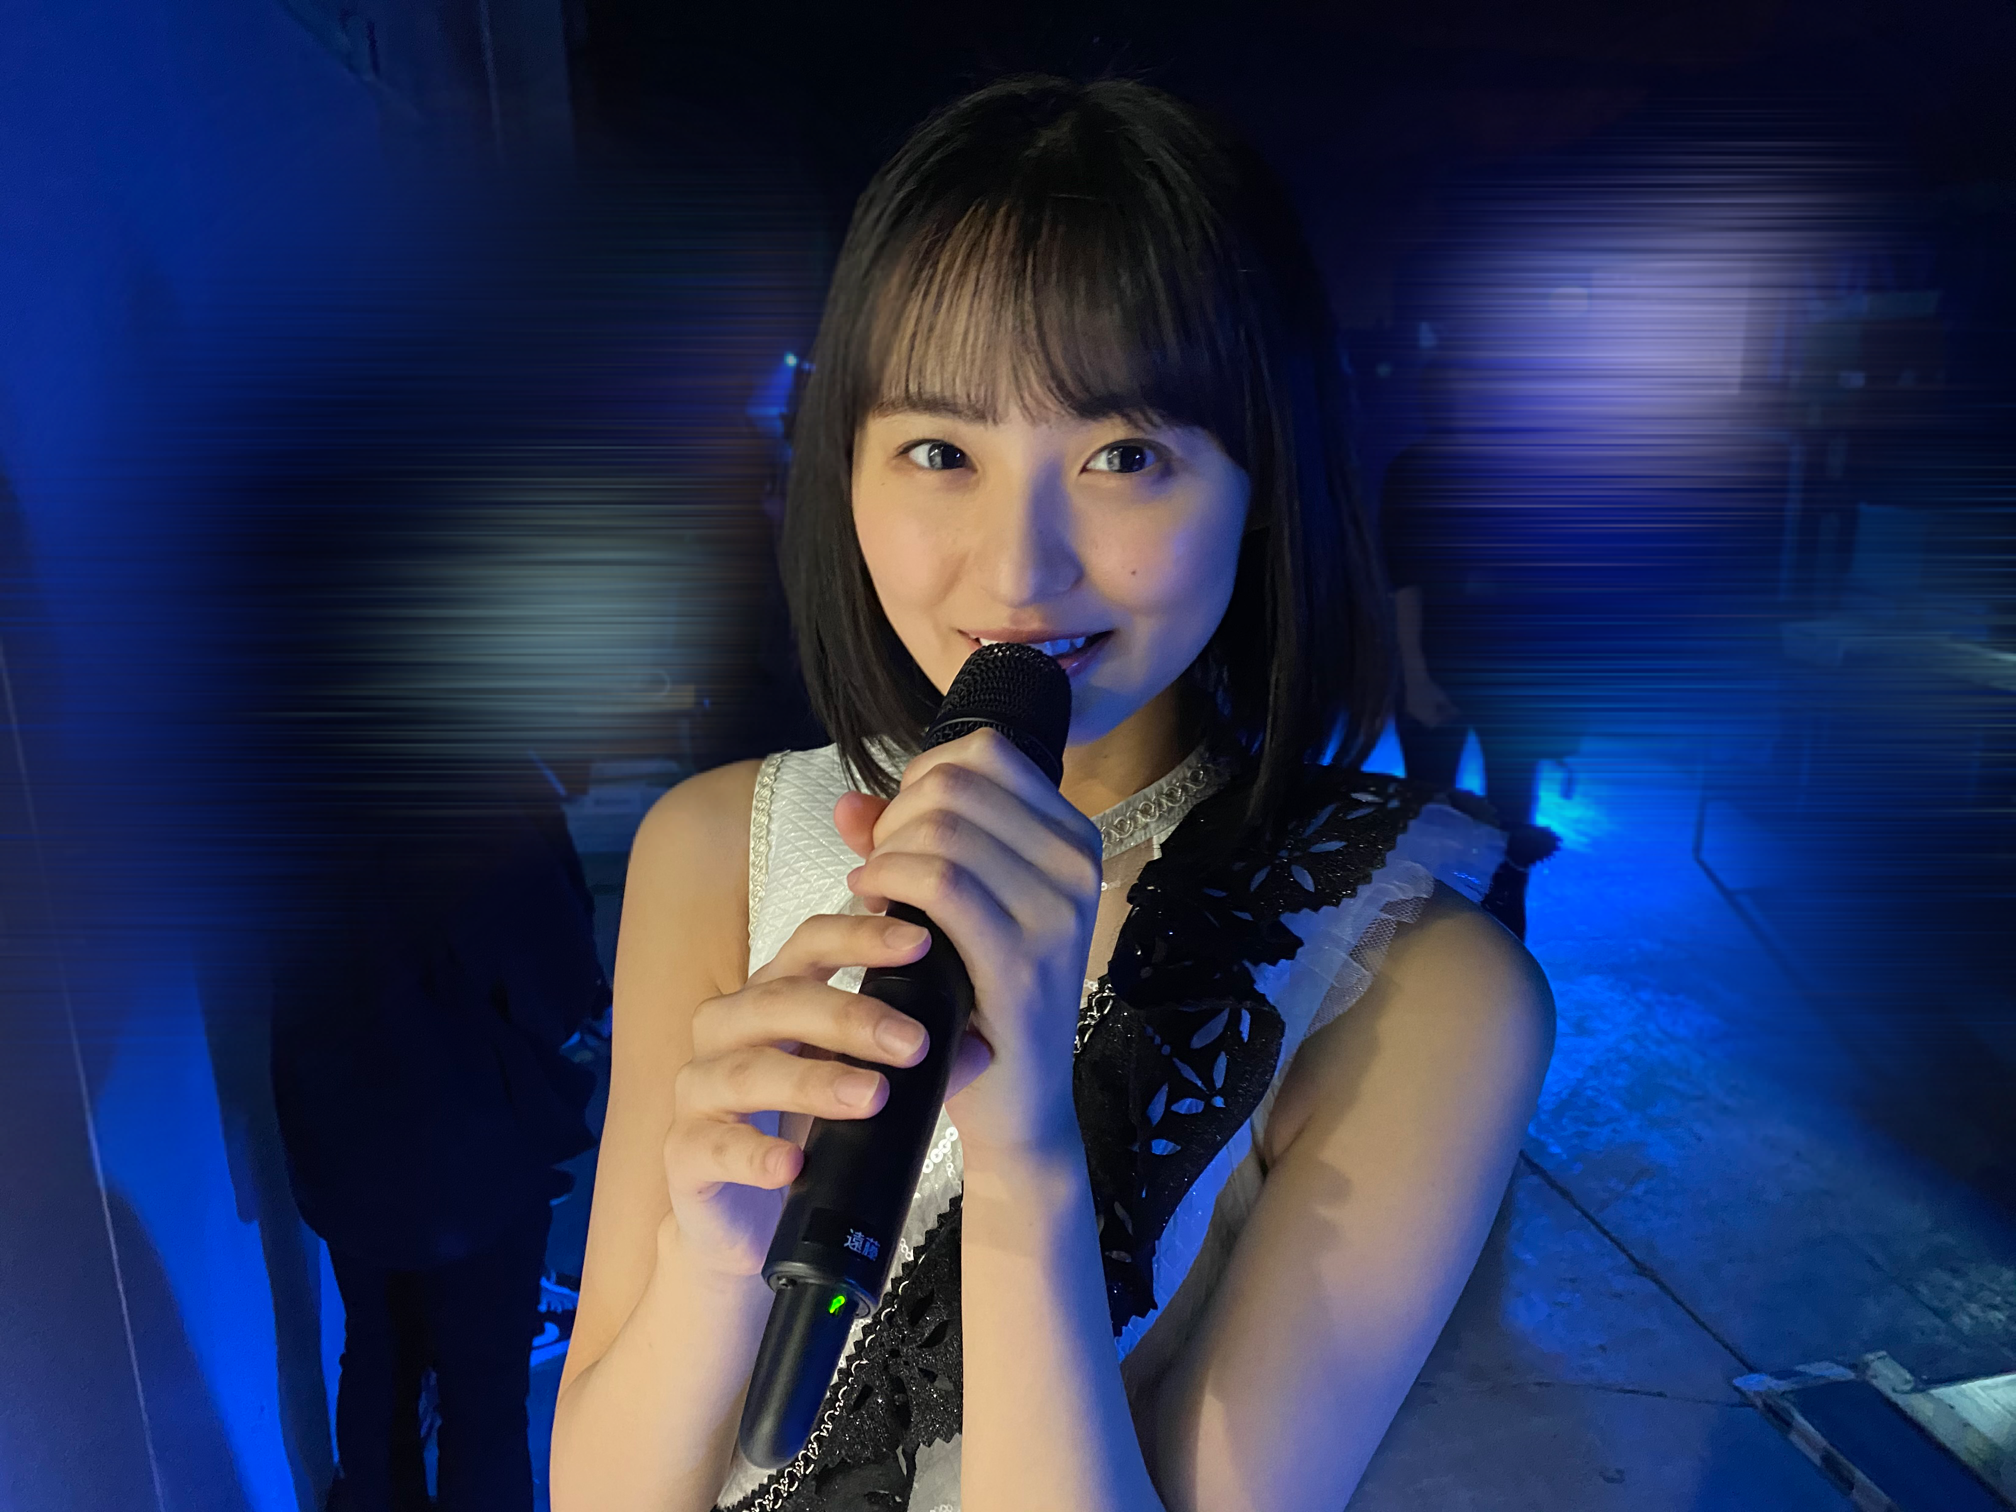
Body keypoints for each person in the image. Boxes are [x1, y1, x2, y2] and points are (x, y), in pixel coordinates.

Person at [552, 76, 1553, 1512]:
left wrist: (1027, 1159)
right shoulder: (714, 847)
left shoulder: (1422, 993)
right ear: (844, 469)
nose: (1019, 570)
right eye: (940, 451)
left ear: (1263, 478)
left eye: (1123, 455)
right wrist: (713, 1261)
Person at [272, 756, 608, 1512]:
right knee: (484, 1393)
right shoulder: (473, 787)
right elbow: (555, 979)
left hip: (336, 1138)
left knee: (375, 1352)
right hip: (471, 1146)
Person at [1382, 362, 1572, 939]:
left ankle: (1503, 949)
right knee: (1432, 817)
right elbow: (1404, 582)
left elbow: (1553, 584)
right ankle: (1440, 948)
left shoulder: (1524, 470)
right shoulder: (1416, 470)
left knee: (1510, 825)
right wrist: (1417, 679)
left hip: (1513, 670)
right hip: (1446, 659)